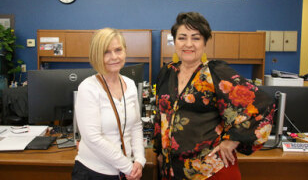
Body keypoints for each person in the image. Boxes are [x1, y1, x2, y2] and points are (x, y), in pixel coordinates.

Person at [153, 12, 275, 179]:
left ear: (205, 43)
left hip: (210, 171)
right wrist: (160, 151)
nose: (188, 44)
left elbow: (262, 104)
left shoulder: (215, 73)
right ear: (174, 42)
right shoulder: (167, 72)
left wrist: (232, 140)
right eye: (182, 38)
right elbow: (160, 117)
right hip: (174, 170)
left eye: (195, 38)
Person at [72, 28, 146, 180]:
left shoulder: (130, 84)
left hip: (126, 171)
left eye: (118, 50)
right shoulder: (88, 88)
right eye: (106, 52)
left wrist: (139, 159)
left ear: (125, 51)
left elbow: (136, 126)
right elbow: (93, 138)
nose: (114, 57)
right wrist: (128, 167)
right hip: (93, 172)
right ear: (96, 55)